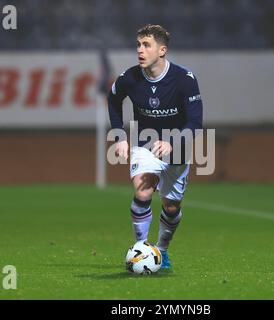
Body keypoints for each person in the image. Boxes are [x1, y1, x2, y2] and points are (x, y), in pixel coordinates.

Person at [107, 24, 203, 270]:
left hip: (178, 148)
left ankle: (161, 249)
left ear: (162, 50)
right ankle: (141, 248)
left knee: (171, 207)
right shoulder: (129, 78)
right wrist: (119, 136)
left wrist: (173, 142)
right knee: (142, 192)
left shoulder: (184, 80)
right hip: (145, 142)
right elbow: (113, 99)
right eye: (138, 45)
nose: (140, 50)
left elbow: (195, 122)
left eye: (146, 45)